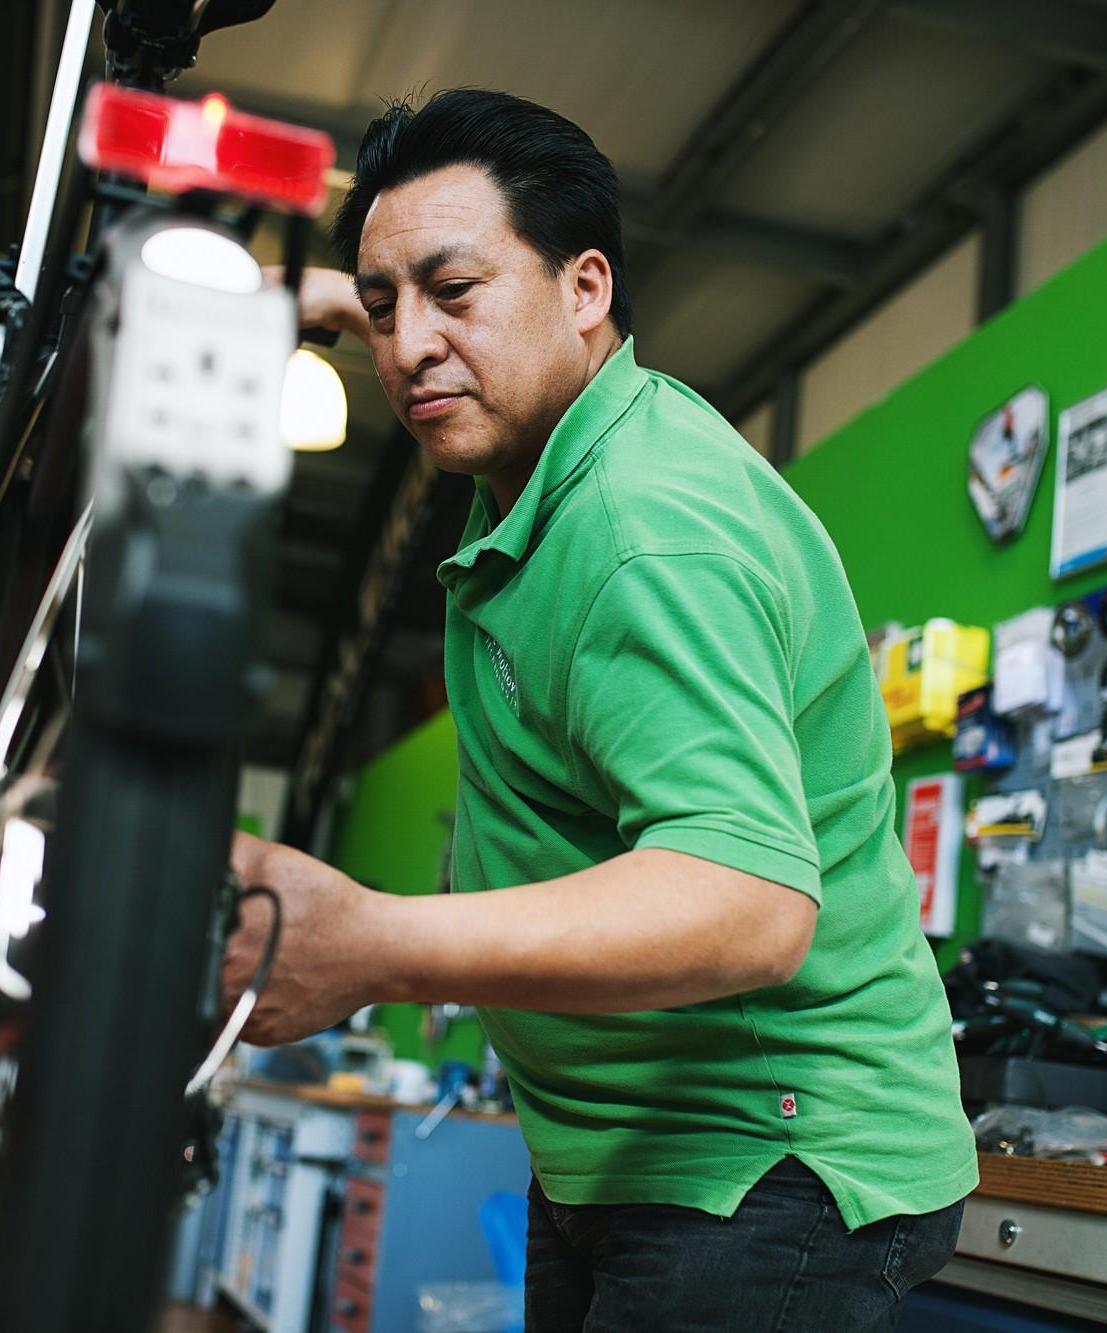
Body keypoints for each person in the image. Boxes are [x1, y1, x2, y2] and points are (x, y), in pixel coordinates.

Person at [220, 90, 976, 1331]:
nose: (406, 345)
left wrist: (372, 943)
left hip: (760, 1164)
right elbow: (419, 310)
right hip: (622, 1154)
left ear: (585, 289)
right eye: (379, 304)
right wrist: (310, 295)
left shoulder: (640, 533)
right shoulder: (541, 460)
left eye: (452, 293)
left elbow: (745, 902)